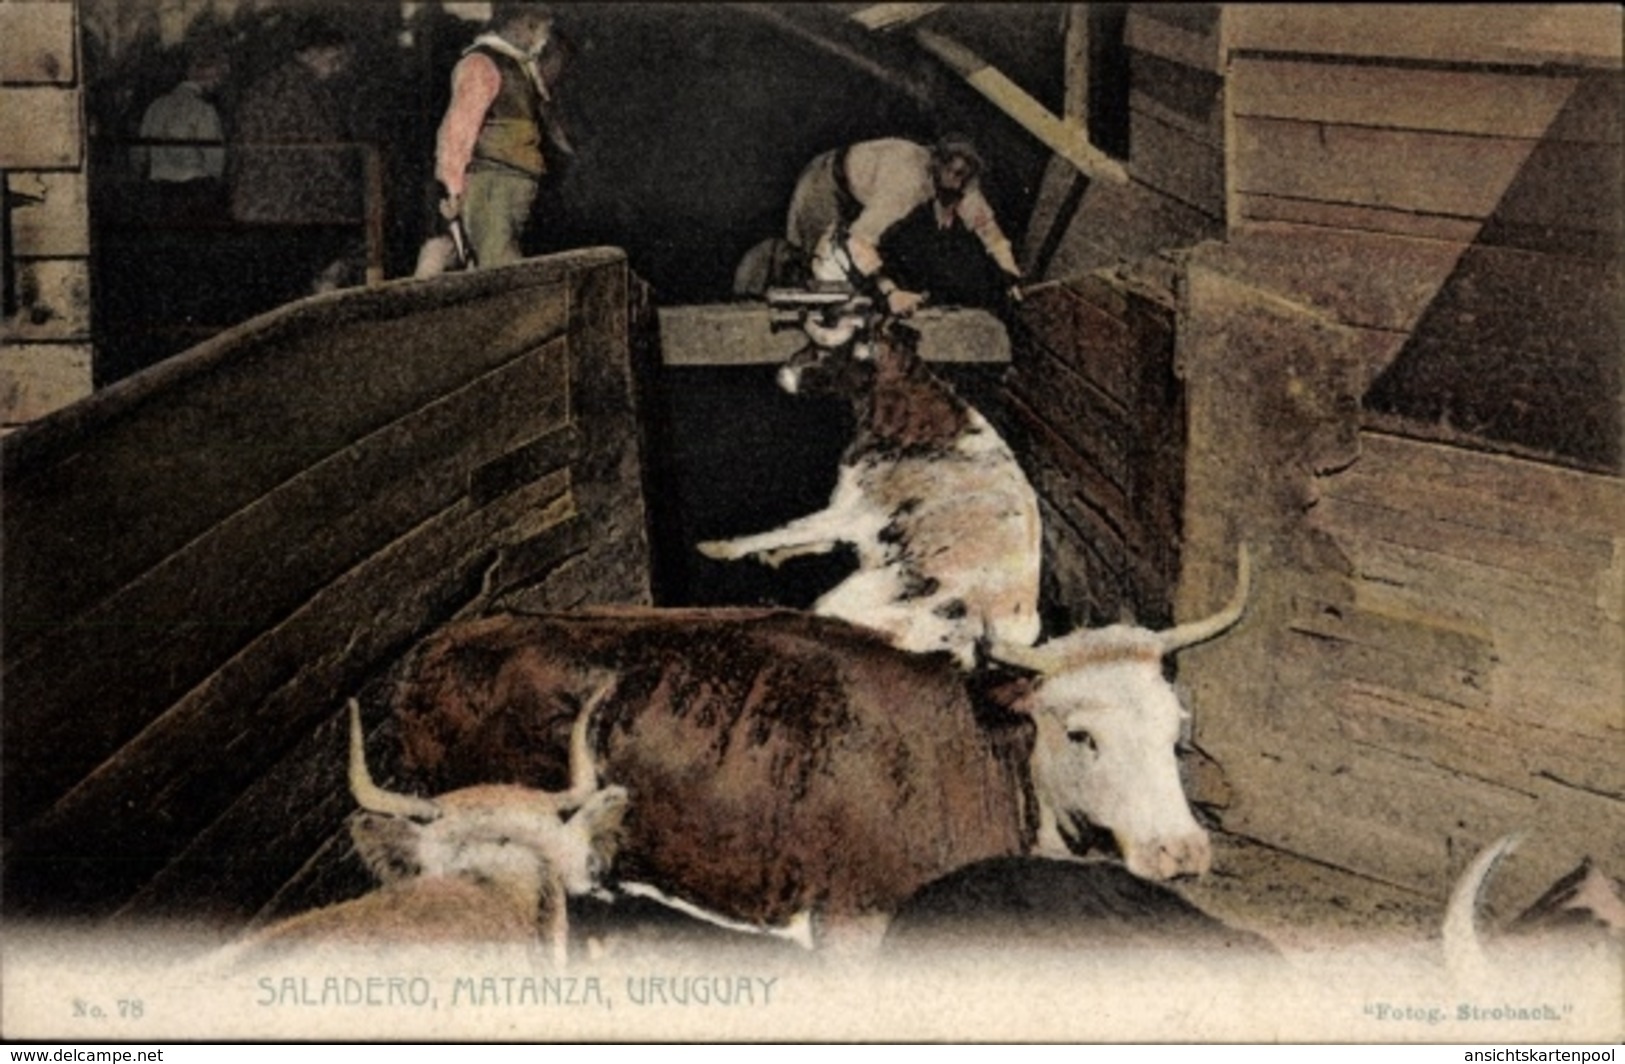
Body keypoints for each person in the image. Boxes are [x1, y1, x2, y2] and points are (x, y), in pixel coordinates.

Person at [785, 134, 1022, 315]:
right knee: (828, 282)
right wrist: (890, 293)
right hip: (825, 185)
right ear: (937, 164)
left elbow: (985, 224)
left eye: (966, 177)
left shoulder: (957, 177)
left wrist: (1009, 272)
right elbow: (858, 241)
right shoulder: (906, 185)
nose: (961, 185)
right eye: (957, 174)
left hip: (861, 195)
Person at [432, 2, 572, 270]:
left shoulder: (522, 67)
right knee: (499, 265)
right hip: (492, 182)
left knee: (505, 261)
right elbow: (458, 131)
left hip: (517, 180)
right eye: (542, 31)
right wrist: (452, 188)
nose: (543, 42)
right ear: (522, 25)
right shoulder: (481, 63)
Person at [230, 18, 361, 303]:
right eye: (335, 59)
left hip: (253, 209)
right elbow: (326, 152)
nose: (338, 69)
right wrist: (352, 198)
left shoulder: (261, 88)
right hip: (299, 211)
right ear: (312, 52)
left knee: (267, 294)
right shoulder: (311, 92)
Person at [132, 44, 230, 217]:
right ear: (212, 78)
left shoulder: (156, 106)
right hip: (192, 193)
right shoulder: (203, 109)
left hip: (159, 192)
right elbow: (215, 160)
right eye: (218, 79)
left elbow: (139, 154)